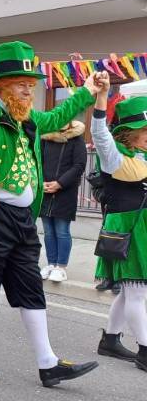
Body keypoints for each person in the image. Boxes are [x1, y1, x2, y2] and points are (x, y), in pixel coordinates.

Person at [0, 34, 101, 386]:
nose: (28, 92)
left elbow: (60, 115)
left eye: (31, 86)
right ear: (0, 86)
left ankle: (48, 362)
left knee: (32, 287)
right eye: (21, 85)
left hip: (22, 220)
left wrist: (87, 91)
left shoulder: (28, 118)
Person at [90, 92, 147, 371]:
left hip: (141, 226)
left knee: (129, 292)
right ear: (129, 133)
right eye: (144, 130)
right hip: (127, 226)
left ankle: (110, 340)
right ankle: (145, 351)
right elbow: (99, 133)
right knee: (136, 292)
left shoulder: (142, 156)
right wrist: (101, 99)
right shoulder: (113, 155)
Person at [39, 120, 87, 283]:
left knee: (62, 231)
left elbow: (79, 165)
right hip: (45, 190)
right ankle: (51, 264)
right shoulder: (45, 138)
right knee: (48, 231)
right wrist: (41, 182)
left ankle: (61, 267)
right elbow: (38, 161)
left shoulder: (76, 139)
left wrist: (60, 183)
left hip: (65, 192)